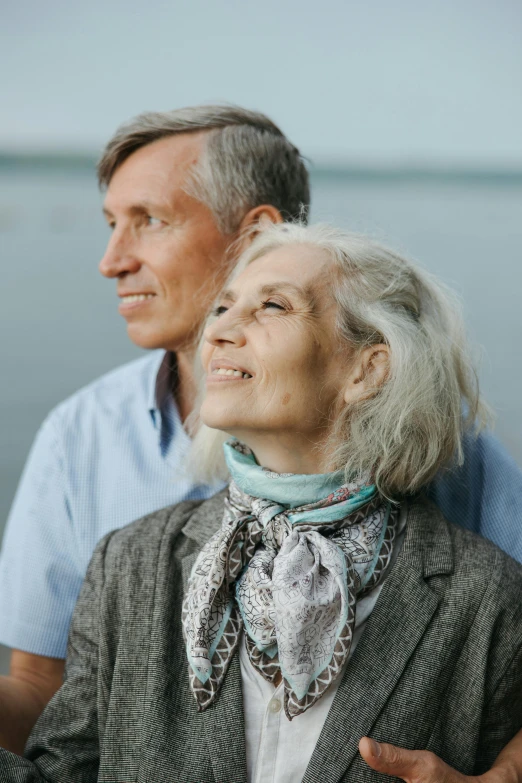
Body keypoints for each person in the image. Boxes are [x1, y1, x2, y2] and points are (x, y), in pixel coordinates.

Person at [0, 106, 522, 781]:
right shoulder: (117, 531)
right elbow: (55, 717)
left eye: (150, 219)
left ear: (369, 369)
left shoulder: (476, 536)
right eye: (225, 309)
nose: (111, 261)